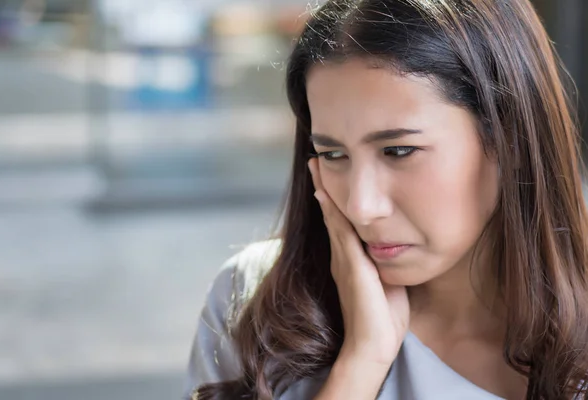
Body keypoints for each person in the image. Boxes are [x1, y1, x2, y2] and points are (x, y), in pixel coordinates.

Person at [185, 0, 588, 398]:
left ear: (510, 140)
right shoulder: (253, 304)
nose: (361, 206)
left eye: (398, 151)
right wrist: (361, 363)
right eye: (332, 154)